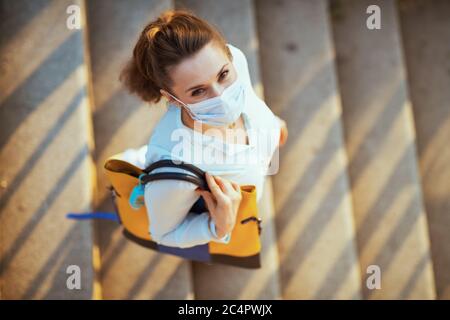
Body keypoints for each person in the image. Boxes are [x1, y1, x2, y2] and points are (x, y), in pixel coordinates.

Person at [119, 9, 288, 248]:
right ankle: (139, 162)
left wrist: (270, 123)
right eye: (198, 91)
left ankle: (140, 158)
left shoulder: (237, 60)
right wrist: (217, 227)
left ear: (228, 57)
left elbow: (247, 97)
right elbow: (163, 234)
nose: (222, 97)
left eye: (223, 74)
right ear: (173, 99)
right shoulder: (175, 172)